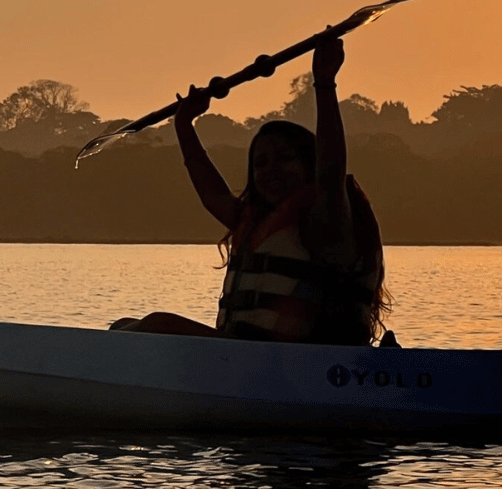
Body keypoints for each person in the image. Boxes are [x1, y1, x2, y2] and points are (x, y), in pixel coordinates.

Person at [115, 36, 390, 345]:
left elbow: (330, 170)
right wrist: (183, 123)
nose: (270, 169)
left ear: (308, 166)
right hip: (249, 359)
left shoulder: (327, 220)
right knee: (122, 324)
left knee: (156, 325)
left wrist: (324, 83)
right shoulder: (254, 221)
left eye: (285, 159)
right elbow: (212, 195)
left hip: (299, 362)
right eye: (260, 163)